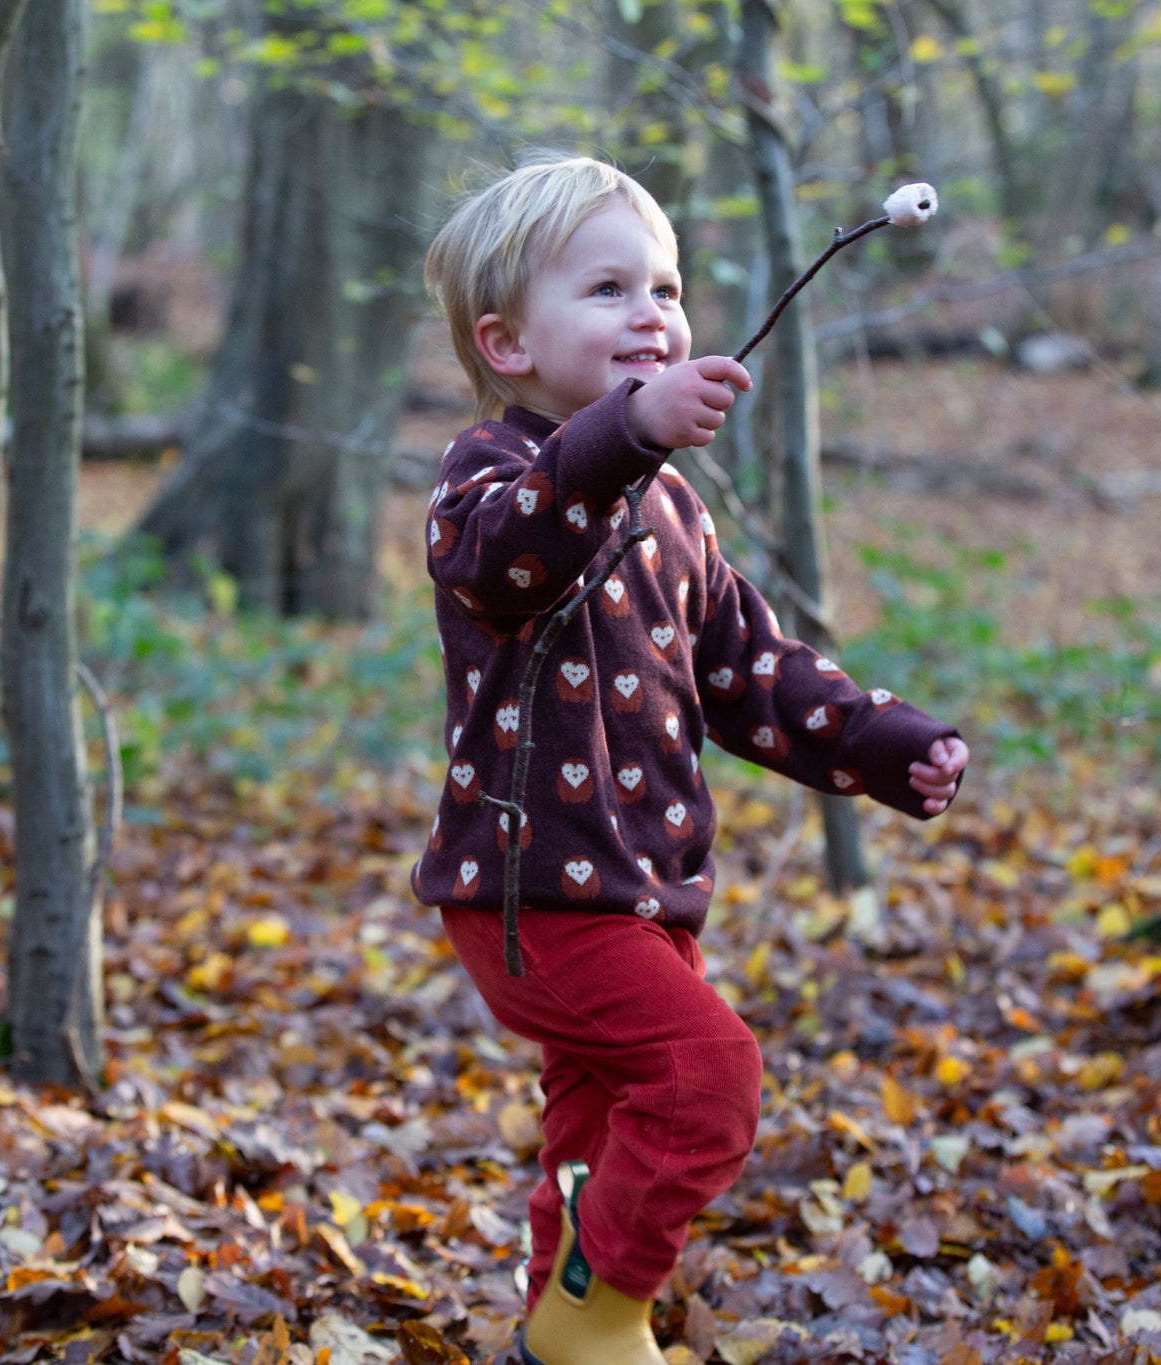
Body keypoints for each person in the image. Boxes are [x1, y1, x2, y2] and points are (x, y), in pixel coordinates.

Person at [412, 156, 968, 1365]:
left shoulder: (669, 508)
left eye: (663, 288)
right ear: (505, 342)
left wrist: (883, 740)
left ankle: (553, 1326)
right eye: (607, 289)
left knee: (599, 1116)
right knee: (706, 1072)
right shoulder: (486, 476)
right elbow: (510, 558)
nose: (652, 314)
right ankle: (591, 1314)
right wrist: (623, 434)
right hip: (536, 892)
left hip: (644, 884)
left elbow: (746, 666)